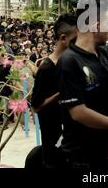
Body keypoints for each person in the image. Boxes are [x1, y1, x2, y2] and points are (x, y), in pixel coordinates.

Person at [57, 0, 108, 170]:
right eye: (106, 23)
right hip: (82, 157)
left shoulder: (103, 53)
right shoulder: (69, 61)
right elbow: (79, 112)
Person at [31, 13, 77, 168]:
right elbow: (36, 106)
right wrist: (61, 93)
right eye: (74, 40)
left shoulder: (71, 63)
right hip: (53, 139)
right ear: (63, 38)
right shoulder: (46, 68)